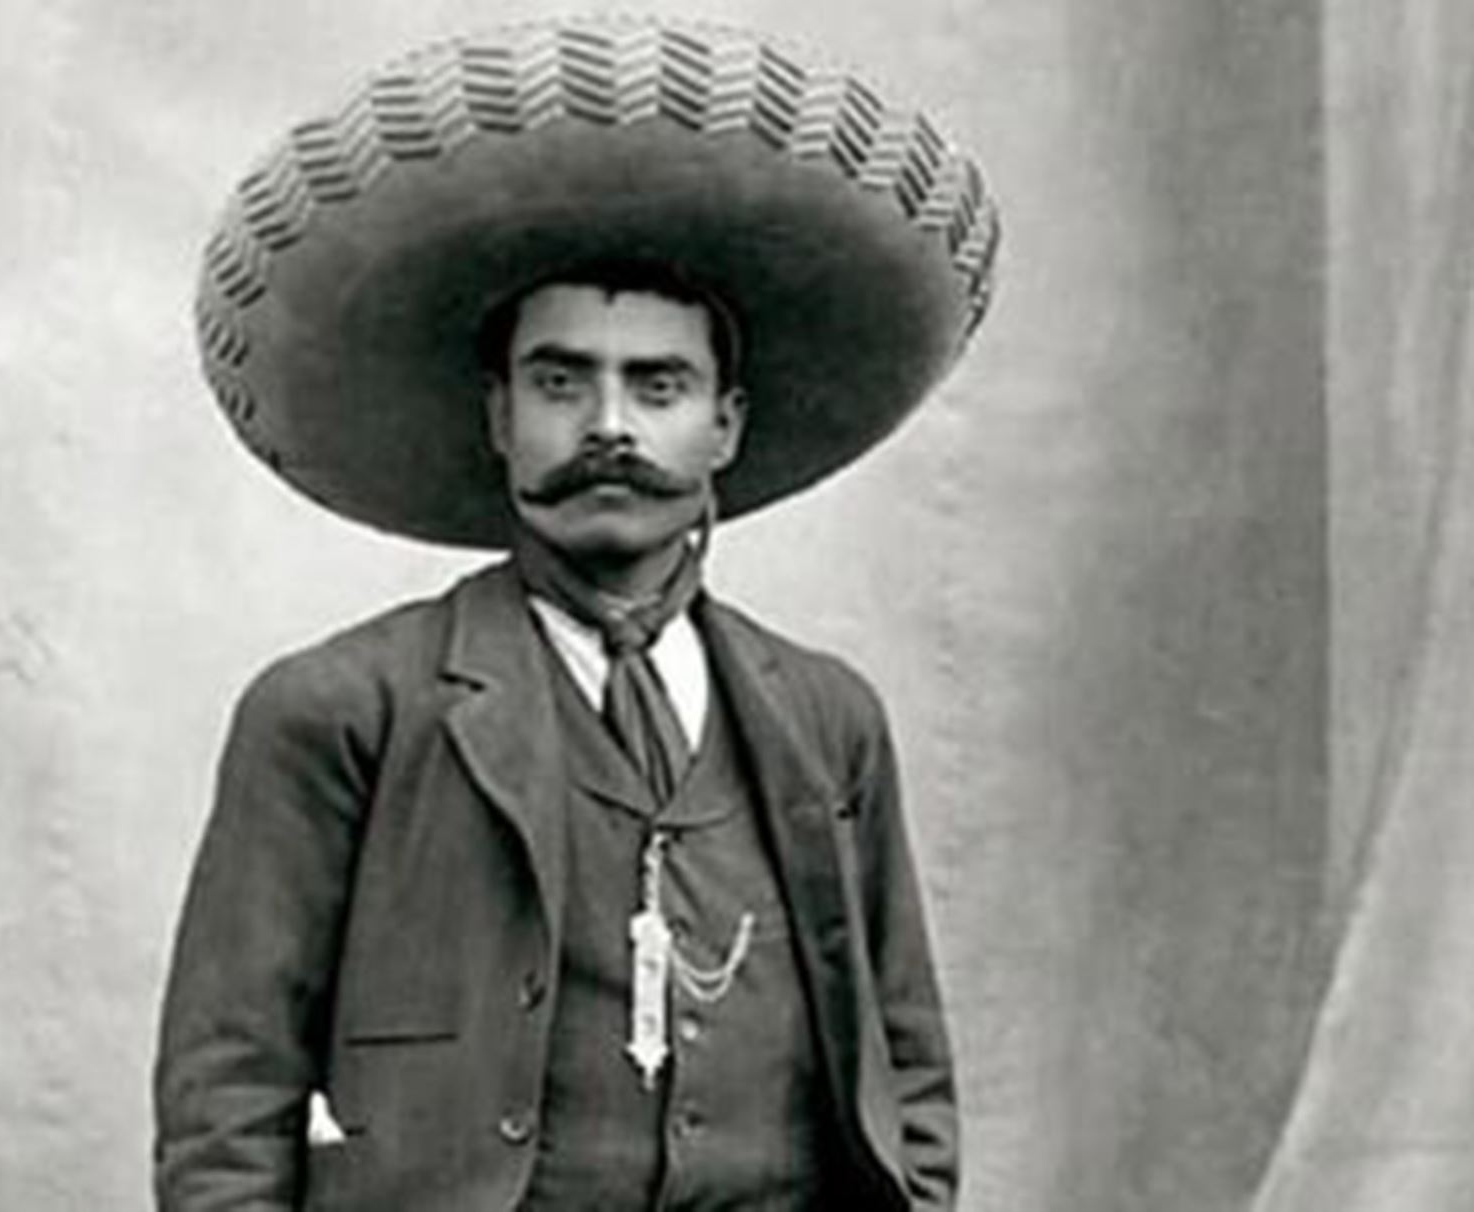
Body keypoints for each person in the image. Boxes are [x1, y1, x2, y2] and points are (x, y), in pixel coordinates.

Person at [155, 15, 998, 1212]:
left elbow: (905, 1067)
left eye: (659, 385)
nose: (609, 425)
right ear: (499, 416)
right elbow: (227, 1104)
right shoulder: (340, 713)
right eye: (561, 381)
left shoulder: (827, 720)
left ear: (725, 425)